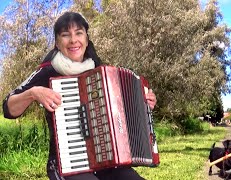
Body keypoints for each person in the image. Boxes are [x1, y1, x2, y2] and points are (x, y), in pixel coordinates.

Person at [2, 12, 157, 180]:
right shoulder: (47, 71)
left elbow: (123, 110)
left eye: (78, 33)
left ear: (86, 38)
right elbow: (8, 108)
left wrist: (144, 103)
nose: (73, 40)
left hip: (108, 163)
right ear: (57, 42)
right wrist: (33, 93)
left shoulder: (101, 72)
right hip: (66, 165)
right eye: (65, 35)